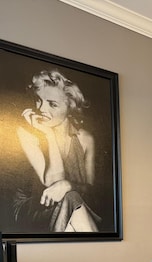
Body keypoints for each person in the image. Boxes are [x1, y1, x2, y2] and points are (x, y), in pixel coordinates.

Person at [15, 70, 100, 232]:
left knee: (72, 198)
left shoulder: (86, 139)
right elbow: (52, 183)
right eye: (38, 100)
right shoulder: (25, 132)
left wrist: (68, 185)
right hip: (34, 208)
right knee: (72, 198)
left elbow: (91, 192)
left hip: (73, 205)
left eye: (52, 104)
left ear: (70, 106)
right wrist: (49, 136)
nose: (41, 109)